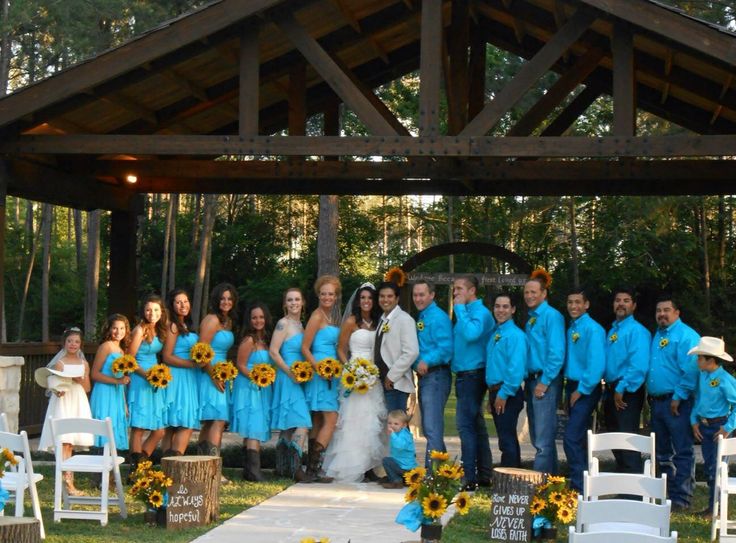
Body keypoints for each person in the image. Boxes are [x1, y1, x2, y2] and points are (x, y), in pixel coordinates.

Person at [323, 282, 386, 483]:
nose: (366, 301)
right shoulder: (351, 321)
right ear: (358, 301)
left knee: (372, 422)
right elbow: (341, 349)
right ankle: (354, 465)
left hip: (373, 376)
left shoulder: (379, 322)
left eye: (369, 298)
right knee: (354, 422)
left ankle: (370, 466)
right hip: (354, 375)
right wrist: (350, 368)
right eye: (362, 298)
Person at [646, 295, 700, 510]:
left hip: (677, 403)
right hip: (657, 402)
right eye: (659, 310)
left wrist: (678, 397)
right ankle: (666, 493)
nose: (662, 314)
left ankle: (682, 499)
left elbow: (691, 370)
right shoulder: (657, 335)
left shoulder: (686, 336)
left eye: (666, 310)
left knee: (683, 451)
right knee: (662, 452)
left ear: (677, 313)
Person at [37, 327, 93, 495]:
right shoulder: (60, 363)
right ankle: (68, 483)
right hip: (64, 401)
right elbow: (54, 385)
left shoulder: (84, 364)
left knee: (70, 443)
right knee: (64, 441)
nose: (73, 344)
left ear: (80, 344)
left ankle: (68, 481)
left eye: (76, 341)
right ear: (64, 343)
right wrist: (58, 389)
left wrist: (78, 379)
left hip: (77, 400)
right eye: (70, 341)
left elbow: (87, 387)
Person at [452, 275, 493, 490]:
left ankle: (469, 477)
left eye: (459, 289)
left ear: (472, 291)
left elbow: (471, 335)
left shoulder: (481, 313)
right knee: (476, 425)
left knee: (465, 426)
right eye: (455, 289)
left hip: (473, 375)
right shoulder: (467, 312)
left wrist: (458, 309)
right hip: (463, 374)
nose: (455, 293)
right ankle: (484, 475)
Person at [603, 287, 651, 473]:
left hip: (627, 391)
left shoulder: (637, 331)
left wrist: (621, 388)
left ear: (634, 305)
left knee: (627, 439)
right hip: (612, 388)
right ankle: (623, 484)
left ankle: (634, 493)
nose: (621, 303)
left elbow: (638, 365)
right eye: (617, 300)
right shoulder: (613, 330)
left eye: (626, 300)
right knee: (615, 438)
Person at [562, 289, 605, 492]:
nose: (573, 306)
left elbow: (596, 364)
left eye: (578, 302)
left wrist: (582, 389)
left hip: (585, 387)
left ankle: (579, 485)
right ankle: (587, 481)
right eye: (570, 302)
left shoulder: (592, 329)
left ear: (586, 304)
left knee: (571, 437)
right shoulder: (572, 328)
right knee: (579, 438)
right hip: (571, 385)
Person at [524, 268, 565, 474]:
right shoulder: (532, 318)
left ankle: (539, 485)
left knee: (542, 438)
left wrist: (545, 381)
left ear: (544, 293)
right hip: (532, 379)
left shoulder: (552, 316)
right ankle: (552, 481)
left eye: (534, 292)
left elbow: (556, 353)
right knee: (539, 436)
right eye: (527, 292)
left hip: (544, 380)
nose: (529, 296)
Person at [689, 337, 736, 516]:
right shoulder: (703, 376)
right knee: (710, 466)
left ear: (710, 360)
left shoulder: (725, 380)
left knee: (717, 467)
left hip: (719, 427)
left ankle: (716, 508)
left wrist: (727, 427)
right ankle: (713, 506)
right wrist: (694, 421)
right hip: (704, 425)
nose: (697, 360)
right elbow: (698, 399)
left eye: (699, 357)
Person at [302, 275, 342, 483]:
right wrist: (319, 368)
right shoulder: (317, 316)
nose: (327, 297)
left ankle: (311, 469)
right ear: (318, 295)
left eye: (331, 294)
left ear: (336, 297)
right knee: (331, 418)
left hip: (331, 372)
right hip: (321, 372)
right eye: (323, 293)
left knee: (318, 419)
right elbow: (304, 348)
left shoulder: (330, 318)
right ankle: (314, 468)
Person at [269, 287, 312, 481]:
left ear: (302, 303)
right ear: (285, 304)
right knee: (302, 422)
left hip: (298, 378)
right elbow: (273, 352)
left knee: (288, 426)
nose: (294, 303)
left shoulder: (301, 325)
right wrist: (290, 373)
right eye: (290, 300)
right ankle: (296, 469)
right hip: (287, 377)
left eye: (297, 299)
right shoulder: (283, 324)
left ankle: (282, 468)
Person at [412, 280, 453, 468]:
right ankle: (441, 472)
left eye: (422, 294)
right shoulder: (424, 316)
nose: (418, 298)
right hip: (427, 377)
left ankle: (433, 474)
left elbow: (446, 348)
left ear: (432, 295)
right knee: (430, 428)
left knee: (432, 427)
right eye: (415, 295)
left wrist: (427, 361)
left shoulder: (438, 317)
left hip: (436, 376)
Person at [232, 302, 274, 481]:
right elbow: (240, 365)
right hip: (249, 387)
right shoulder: (249, 340)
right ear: (249, 320)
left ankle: (248, 470)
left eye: (261, 317)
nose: (258, 320)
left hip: (261, 388)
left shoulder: (265, 340)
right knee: (253, 427)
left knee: (254, 426)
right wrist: (257, 377)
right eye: (254, 317)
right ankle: (254, 472)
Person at [127, 294, 168, 473]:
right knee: (138, 428)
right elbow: (129, 359)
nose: (152, 313)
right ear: (143, 311)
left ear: (161, 312)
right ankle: (137, 469)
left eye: (156, 310)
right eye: (149, 309)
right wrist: (147, 376)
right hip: (140, 379)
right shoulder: (139, 330)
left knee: (159, 430)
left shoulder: (160, 330)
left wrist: (158, 375)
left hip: (154, 380)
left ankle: (139, 466)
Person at [485, 293, 527, 468]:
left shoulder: (515, 335)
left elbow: (515, 369)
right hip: (496, 391)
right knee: (505, 438)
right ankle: (509, 477)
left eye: (505, 306)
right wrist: (491, 395)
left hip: (508, 392)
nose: (500, 310)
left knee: (507, 439)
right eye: (497, 306)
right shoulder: (497, 332)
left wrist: (503, 394)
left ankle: (511, 479)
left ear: (513, 309)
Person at [197, 282, 237, 460]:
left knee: (211, 421)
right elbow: (200, 352)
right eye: (222, 298)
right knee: (218, 419)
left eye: (229, 298)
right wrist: (213, 375)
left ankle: (203, 464)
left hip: (221, 372)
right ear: (216, 300)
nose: (226, 302)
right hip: (209, 373)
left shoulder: (227, 321)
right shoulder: (212, 320)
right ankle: (213, 465)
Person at [161, 289, 200, 456]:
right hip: (177, 376)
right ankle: (173, 463)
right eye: (178, 302)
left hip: (189, 378)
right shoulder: (173, 326)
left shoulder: (187, 325)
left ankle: (170, 466)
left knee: (180, 422)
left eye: (185, 301)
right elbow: (167, 356)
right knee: (181, 423)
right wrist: (191, 364)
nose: (183, 305)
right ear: (172, 305)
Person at [374, 281, 419, 413]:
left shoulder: (404, 319)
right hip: (381, 382)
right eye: (382, 296)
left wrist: (391, 376)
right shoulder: (383, 319)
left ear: (397, 298)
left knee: (397, 426)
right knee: (390, 427)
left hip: (395, 384)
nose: (385, 300)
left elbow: (411, 352)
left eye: (389, 296)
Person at [89, 315, 132, 454]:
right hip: (104, 392)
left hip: (117, 393)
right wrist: (117, 381)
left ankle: (112, 468)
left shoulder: (122, 350)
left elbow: (121, 377)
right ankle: (100, 463)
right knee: (105, 425)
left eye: (121, 328)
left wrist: (124, 403)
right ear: (109, 329)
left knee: (115, 425)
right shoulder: (106, 346)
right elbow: (94, 374)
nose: (118, 331)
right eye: (115, 328)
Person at [381, 410, 417, 489]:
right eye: (389, 423)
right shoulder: (399, 432)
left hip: (406, 469)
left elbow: (399, 446)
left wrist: (393, 435)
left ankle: (396, 481)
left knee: (386, 461)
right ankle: (402, 479)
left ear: (404, 425)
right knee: (391, 460)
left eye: (396, 424)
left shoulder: (404, 435)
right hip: (404, 467)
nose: (392, 426)